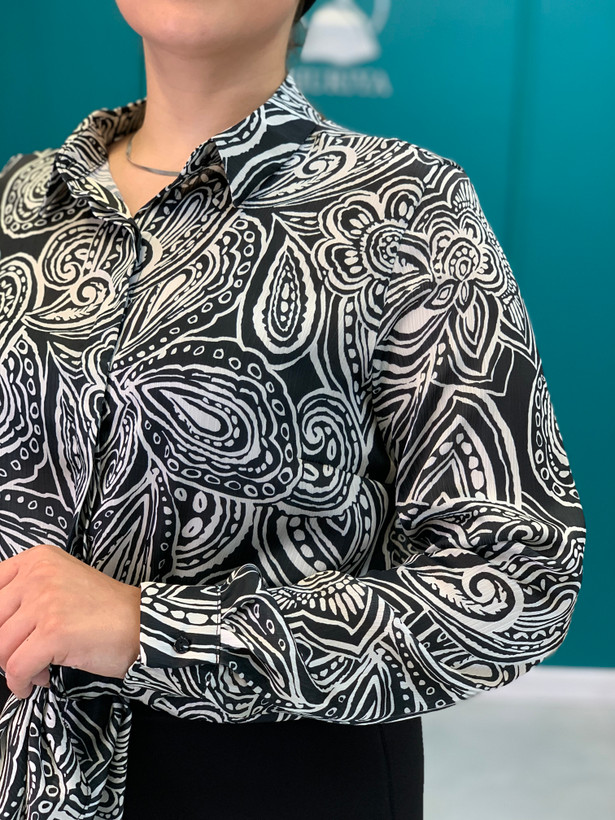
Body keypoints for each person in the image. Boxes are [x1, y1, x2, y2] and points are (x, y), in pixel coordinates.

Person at [0, 0, 586, 817]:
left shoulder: (405, 208)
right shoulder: (18, 200)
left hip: (271, 774)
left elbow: (514, 575)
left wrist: (153, 629)